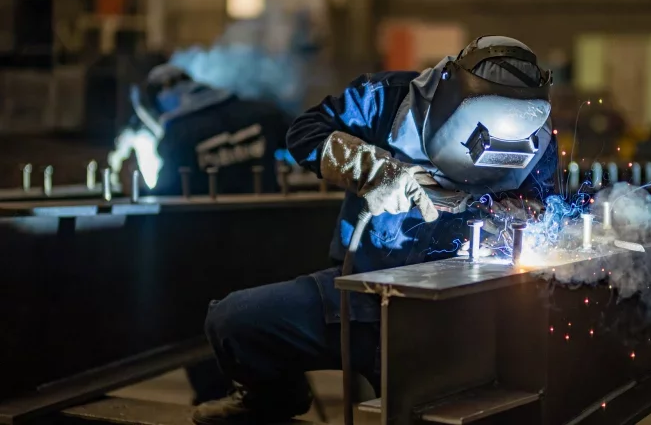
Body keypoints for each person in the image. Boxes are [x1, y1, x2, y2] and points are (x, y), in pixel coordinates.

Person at [193, 36, 559, 424]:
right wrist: (370, 170)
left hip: (460, 316)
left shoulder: (538, 136)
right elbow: (304, 133)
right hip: (360, 296)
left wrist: (509, 215)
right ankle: (272, 399)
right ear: (453, 96)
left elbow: (544, 208)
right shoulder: (388, 99)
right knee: (233, 321)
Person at [108, 64, 293, 196]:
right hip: (272, 234)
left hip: (209, 242)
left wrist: (132, 186)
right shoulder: (263, 112)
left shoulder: (177, 137)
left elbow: (166, 202)